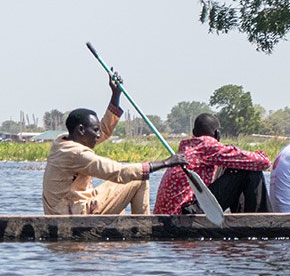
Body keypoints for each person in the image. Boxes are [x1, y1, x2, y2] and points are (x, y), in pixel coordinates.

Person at [42, 72, 184, 215]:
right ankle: (143, 229)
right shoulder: (76, 153)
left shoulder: (62, 141)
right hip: (71, 212)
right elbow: (119, 172)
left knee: (126, 187)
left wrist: (115, 94)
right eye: (95, 130)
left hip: (69, 206)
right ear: (81, 130)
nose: (99, 135)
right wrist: (166, 163)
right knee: (138, 179)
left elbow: (104, 130)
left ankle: (127, 228)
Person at [154, 113, 272, 215]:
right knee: (247, 172)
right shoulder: (207, 146)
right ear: (217, 134)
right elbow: (263, 162)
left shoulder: (188, 147)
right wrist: (259, 154)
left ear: (194, 132)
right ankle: (263, 222)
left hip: (172, 212)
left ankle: (244, 218)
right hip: (186, 213)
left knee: (235, 166)